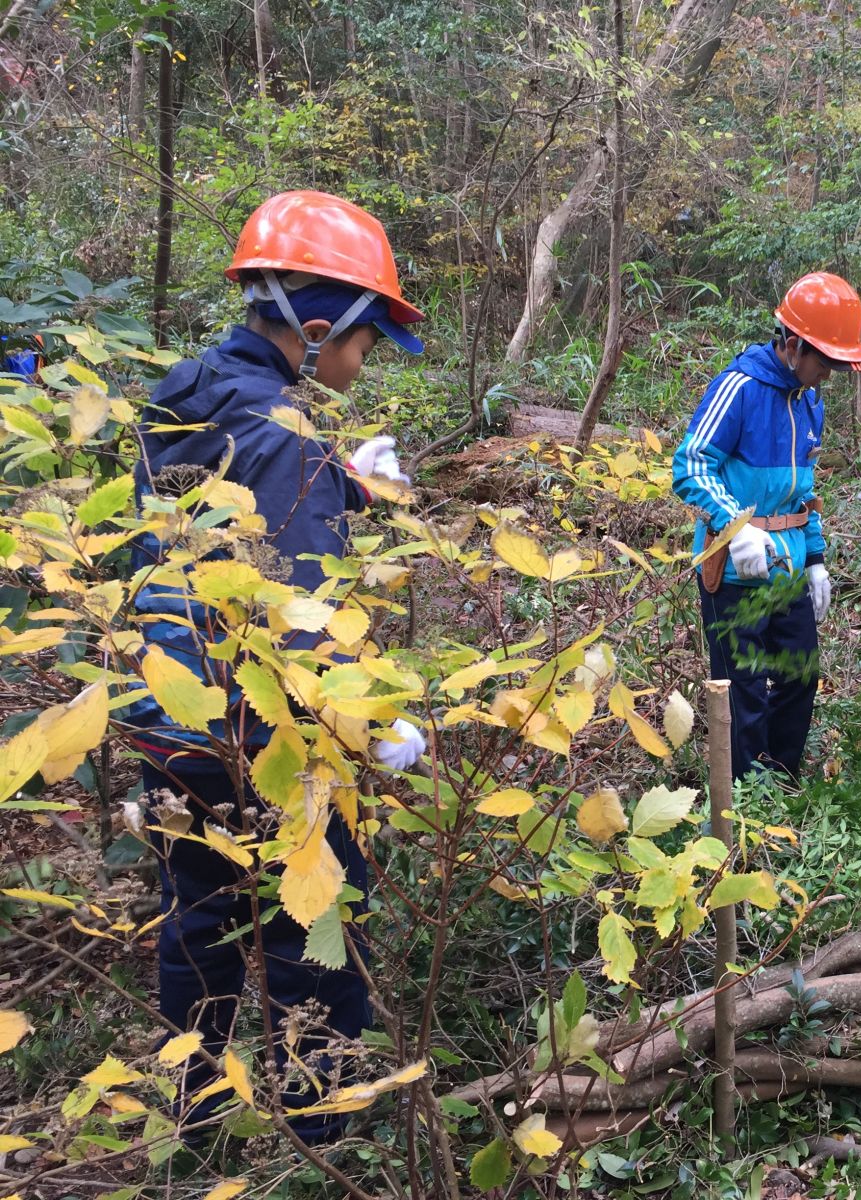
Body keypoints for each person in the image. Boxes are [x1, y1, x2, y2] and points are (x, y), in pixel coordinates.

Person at [125, 190, 428, 1141]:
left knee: (199, 920)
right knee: (318, 927)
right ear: (321, 321)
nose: (366, 361)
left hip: (166, 714)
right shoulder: (281, 436)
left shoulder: (186, 393)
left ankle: (200, 1112)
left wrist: (346, 484)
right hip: (265, 734)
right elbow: (297, 621)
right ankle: (321, 1128)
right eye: (368, 341)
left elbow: (214, 529)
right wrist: (372, 727)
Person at [672, 272, 861, 780]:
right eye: (825, 360)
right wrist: (736, 527)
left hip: (789, 570)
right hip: (735, 574)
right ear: (796, 344)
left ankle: (780, 782)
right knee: (746, 690)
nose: (828, 373)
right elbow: (691, 465)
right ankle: (744, 802)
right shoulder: (739, 387)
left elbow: (805, 493)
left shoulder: (809, 402)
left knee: (801, 678)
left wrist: (818, 559)